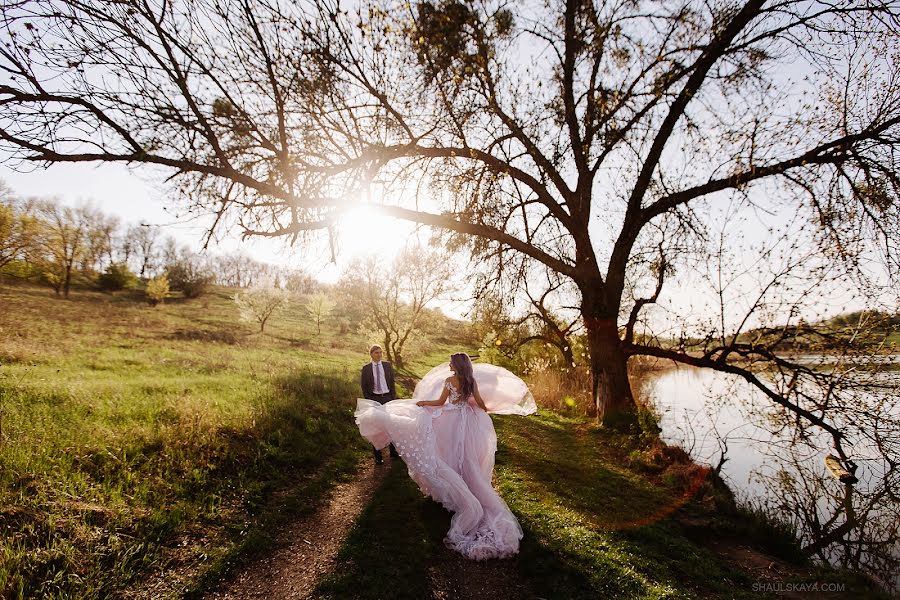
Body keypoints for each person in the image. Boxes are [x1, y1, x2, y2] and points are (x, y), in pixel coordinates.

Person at [354, 352, 536, 560]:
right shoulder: (470, 380)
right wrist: (486, 409)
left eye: (451, 362)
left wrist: (423, 403)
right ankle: (464, 483)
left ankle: (455, 490)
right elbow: (479, 403)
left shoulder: (450, 381)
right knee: (466, 456)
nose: (448, 364)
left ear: (456, 365)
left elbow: (441, 402)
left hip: (451, 421)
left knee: (445, 451)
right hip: (467, 422)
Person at [360, 344, 399, 464]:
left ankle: (393, 452)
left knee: (391, 425)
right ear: (371, 354)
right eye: (377, 352)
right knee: (375, 428)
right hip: (374, 400)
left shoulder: (387, 366)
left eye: (381, 352)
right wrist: (370, 400)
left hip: (387, 398)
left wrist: (392, 397)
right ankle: (378, 457)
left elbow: (391, 383)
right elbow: (364, 386)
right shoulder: (366, 368)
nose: (379, 354)